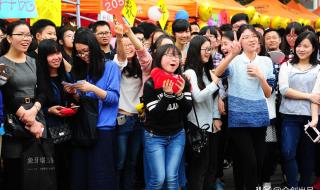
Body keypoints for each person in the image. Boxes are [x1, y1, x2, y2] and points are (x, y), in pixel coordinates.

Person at [215, 24, 275, 189]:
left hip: (261, 119)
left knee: (257, 163)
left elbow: (268, 93)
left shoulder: (266, 61)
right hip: (239, 119)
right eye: (246, 36)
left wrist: (261, 77)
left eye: (254, 35)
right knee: (250, 163)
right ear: (239, 41)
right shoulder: (234, 60)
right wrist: (232, 54)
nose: (252, 39)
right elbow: (216, 73)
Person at [68, 28, 121, 190]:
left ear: (94, 47)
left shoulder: (110, 66)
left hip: (103, 128)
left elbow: (113, 99)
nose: (83, 56)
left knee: (101, 177)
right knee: (82, 176)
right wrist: (75, 94)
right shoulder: (81, 69)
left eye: (85, 51)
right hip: (83, 127)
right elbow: (85, 101)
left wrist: (91, 88)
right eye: (79, 53)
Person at [0, 20, 46, 190]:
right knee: (14, 172)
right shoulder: (3, 63)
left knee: (35, 172)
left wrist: (34, 111)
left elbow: (43, 90)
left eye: (28, 35)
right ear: (9, 38)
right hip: (15, 123)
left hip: (37, 118)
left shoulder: (33, 61)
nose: (26, 39)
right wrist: (28, 119)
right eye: (21, 34)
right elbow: (7, 94)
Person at [143, 44, 192, 190]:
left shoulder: (182, 81)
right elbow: (155, 115)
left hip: (177, 135)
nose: (174, 59)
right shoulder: (151, 83)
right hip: (154, 136)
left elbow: (187, 110)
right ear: (159, 58)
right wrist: (167, 95)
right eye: (169, 55)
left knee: (172, 177)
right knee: (158, 179)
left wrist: (179, 94)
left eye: (176, 56)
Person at [279, 31, 320, 188]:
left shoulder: (318, 69)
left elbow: (317, 96)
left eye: (306, 46)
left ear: (314, 48)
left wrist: (315, 120)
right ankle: (292, 185)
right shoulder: (286, 66)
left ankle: (304, 186)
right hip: (290, 116)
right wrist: (308, 96)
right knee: (287, 152)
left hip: (311, 118)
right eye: (299, 45)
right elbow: (284, 90)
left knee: (308, 157)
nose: (301, 49)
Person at [116, 25, 152, 190]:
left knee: (132, 161)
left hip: (138, 119)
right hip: (122, 119)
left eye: (131, 44)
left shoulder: (144, 68)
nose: (128, 47)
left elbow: (144, 56)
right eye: (124, 45)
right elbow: (121, 60)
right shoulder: (115, 66)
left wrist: (129, 35)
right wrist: (120, 38)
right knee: (119, 161)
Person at [184, 35, 220, 190]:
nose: (208, 52)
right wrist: (214, 83)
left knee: (211, 167)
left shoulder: (206, 71)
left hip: (209, 126)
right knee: (198, 170)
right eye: (205, 49)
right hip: (196, 127)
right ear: (195, 50)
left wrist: (215, 117)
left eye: (209, 49)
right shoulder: (190, 72)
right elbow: (197, 97)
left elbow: (212, 99)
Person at [37, 39, 74, 190]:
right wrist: (48, 110)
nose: (56, 57)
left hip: (67, 131)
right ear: (43, 57)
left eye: (58, 53)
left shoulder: (66, 76)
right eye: (51, 54)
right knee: (52, 172)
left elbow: (72, 99)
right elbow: (35, 105)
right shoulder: (38, 79)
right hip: (47, 134)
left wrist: (73, 104)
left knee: (67, 169)